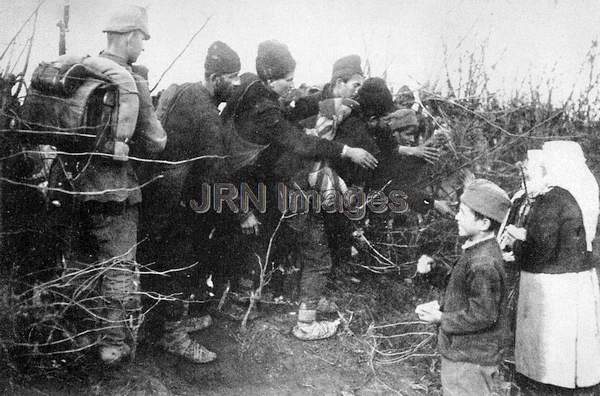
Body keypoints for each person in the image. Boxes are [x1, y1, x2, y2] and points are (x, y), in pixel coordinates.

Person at [20, 5, 167, 364]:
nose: (143, 47)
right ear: (131, 37)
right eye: (142, 40)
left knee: (79, 262)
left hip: (67, 185)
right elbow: (156, 142)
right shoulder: (133, 81)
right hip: (113, 191)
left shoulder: (78, 70)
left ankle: (73, 334)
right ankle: (111, 345)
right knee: (116, 268)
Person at [221, 40, 377, 340]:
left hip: (280, 187)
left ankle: (246, 300)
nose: (292, 86)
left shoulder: (261, 96)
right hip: (293, 191)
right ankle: (305, 321)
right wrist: (347, 150)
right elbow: (299, 143)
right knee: (315, 256)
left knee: (274, 245)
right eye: (288, 80)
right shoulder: (272, 107)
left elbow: (293, 127)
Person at [138, 41, 242, 363]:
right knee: (178, 267)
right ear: (214, 77)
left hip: (154, 194)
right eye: (232, 77)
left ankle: (159, 326)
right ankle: (174, 337)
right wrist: (240, 212)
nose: (237, 85)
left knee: (155, 263)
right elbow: (215, 172)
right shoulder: (208, 114)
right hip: (177, 202)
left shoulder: (177, 90)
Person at [509, 141, 600, 395]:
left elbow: (540, 249)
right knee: (572, 343)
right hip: (577, 277)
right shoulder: (579, 194)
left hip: (550, 283)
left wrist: (517, 247)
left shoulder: (552, 199)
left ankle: (545, 384)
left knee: (550, 344)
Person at [416, 178, 510, 396]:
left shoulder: (482, 262)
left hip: (470, 358)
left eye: (463, 213)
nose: (456, 216)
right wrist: (436, 273)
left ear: (484, 223)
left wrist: (441, 318)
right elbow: (465, 290)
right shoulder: (479, 250)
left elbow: (484, 314)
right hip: (468, 353)